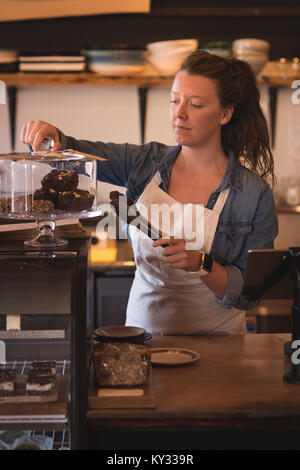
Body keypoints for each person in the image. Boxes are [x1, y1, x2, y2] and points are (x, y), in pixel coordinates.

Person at [20, 50, 278, 335]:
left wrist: (202, 263)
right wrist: (52, 136)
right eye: (174, 100)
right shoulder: (144, 163)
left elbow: (248, 294)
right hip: (143, 340)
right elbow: (77, 154)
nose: (179, 114)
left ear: (225, 114)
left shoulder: (253, 195)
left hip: (219, 347)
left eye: (195, 104)